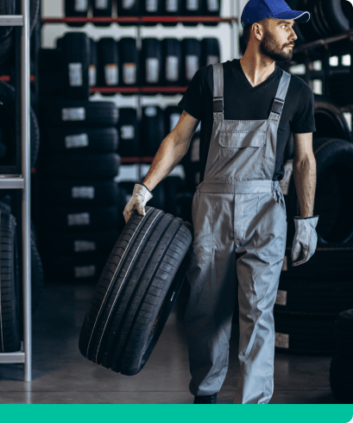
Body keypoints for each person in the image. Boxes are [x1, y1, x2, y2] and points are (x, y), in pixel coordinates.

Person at [122, 0, 318, 404]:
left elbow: (304, 160)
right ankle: (206, 397)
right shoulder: (209, 80)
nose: (293, 34)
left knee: (258, 315)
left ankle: (253, 408)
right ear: (257, 30)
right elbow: (178, 139)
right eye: (284, 25)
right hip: (212, 213)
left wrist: (307, 220)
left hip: (266, 211)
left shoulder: (296, 92)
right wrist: (144, 187)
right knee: (205, 312)